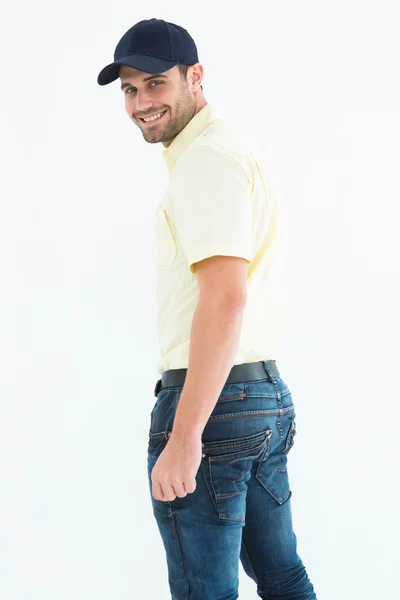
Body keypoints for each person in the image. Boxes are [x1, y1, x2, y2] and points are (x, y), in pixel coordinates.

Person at [98, 18, 318, 600]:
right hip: (261, 397)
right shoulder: (228, 152)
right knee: (281, 574)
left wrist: (185, 433)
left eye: (154, 84)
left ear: (195, 77)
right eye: (128, 89)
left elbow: (225, 298)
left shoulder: (206, 162)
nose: (141, 103)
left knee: (206, 592)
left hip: (214, 405)